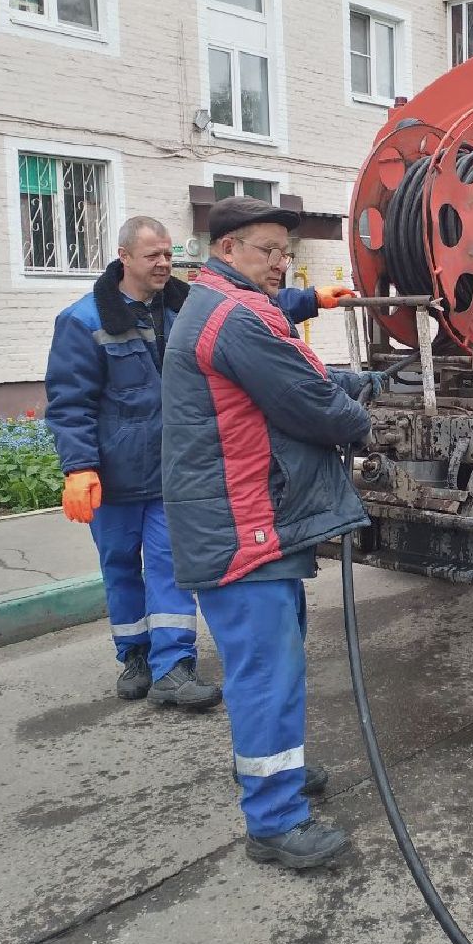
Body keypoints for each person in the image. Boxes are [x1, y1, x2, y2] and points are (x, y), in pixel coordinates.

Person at [46, 213, 355, 708]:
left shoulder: (184, 307)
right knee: (120, 567)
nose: (165, 264)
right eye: (154, 256)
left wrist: (311, 301)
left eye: (170, 254)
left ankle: (174, 667)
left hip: (176, 472)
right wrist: (79, 467)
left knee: (169, 566)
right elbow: (70, 403)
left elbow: (247, 315)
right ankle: (135, 656)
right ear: (123, 257)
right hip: (116, 475)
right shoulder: (84, 322)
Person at [162, 195, 379, 870]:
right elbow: (311, 404)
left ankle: (274, 777)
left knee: (272, 665)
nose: (282, 265)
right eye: (269, 251)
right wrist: (366, 418)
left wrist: (356, 380)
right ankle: (276, 822)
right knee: (267, 673)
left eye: (286, 253)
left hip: (248, 523)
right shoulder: (233, 315)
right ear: (228, 250)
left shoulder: (226, 304)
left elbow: (296, 374)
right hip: (241, 528)